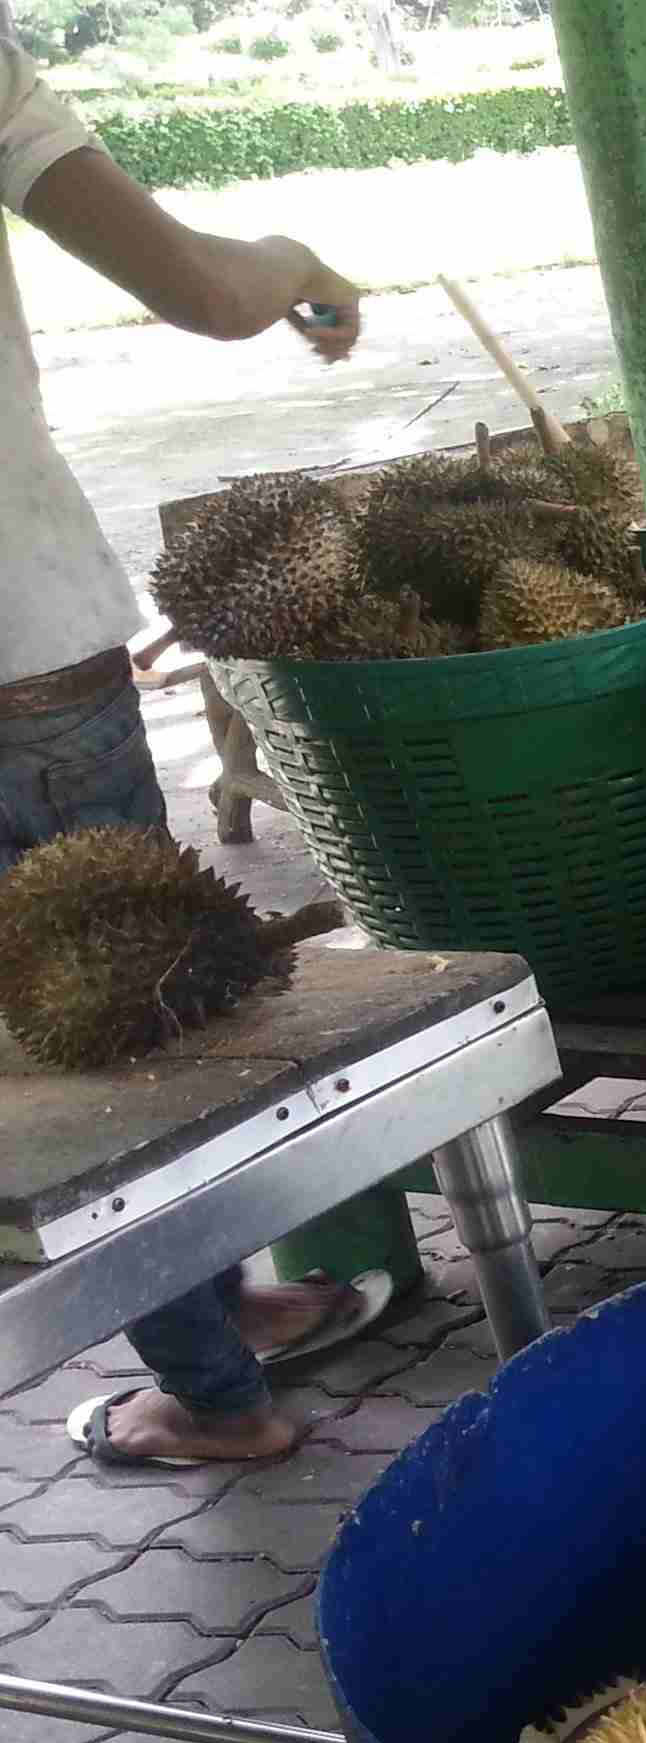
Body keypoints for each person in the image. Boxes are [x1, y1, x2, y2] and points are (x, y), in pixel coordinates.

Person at [4, 32, 371, 1466]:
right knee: (148, 996)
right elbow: (210, 293)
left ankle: (215, 1380)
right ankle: (224, 1332)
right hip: (35, 625)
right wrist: (302, 260)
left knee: (83, 1038)